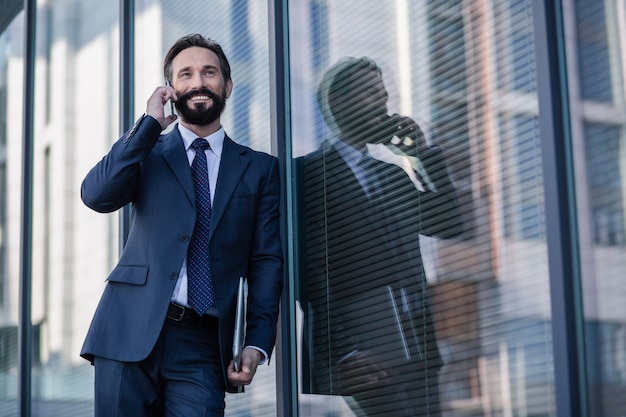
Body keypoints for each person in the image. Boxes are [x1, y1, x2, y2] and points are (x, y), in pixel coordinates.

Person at [80, 34, 283, 417]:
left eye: (209, 72)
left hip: (203, 342)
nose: (198, 82)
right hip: (126, 331)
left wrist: (257, 342)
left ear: (227, 85)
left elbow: (266, 260)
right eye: (185, 74)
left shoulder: (260, 168)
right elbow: (96, 196)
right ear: (172, 90)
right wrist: (148, 125)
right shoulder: (148, 151)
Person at [298, 57, 463, 416]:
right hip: (362, 347)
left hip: (416, 341)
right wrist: (343, 351)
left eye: (384, 94)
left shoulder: (392, 176)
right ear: (339, 102)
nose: (384, 104)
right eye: (371, 94)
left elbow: (449, 224)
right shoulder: (305, 174)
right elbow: (310, 273)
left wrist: (420, 156)